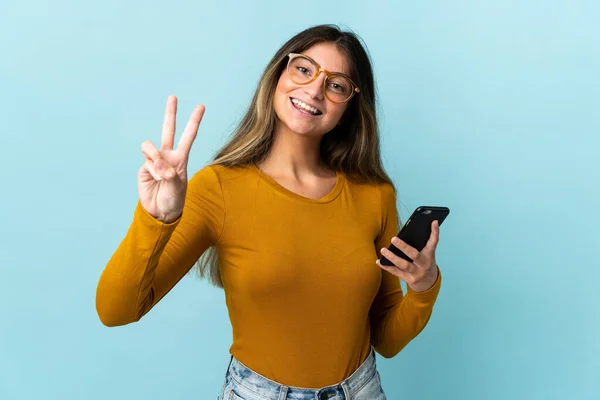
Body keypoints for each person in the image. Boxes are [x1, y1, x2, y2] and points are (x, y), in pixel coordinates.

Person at [95, 24, 443, 400]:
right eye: (304, 69)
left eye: (337, 85)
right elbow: (116, 310)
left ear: (348, 108)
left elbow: (386, 340)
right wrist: (156, 220)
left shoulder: (374, 195)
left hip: (361, 391)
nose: (314, 90)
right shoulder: (219, 187)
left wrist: (423, 288)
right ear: (278, 74)